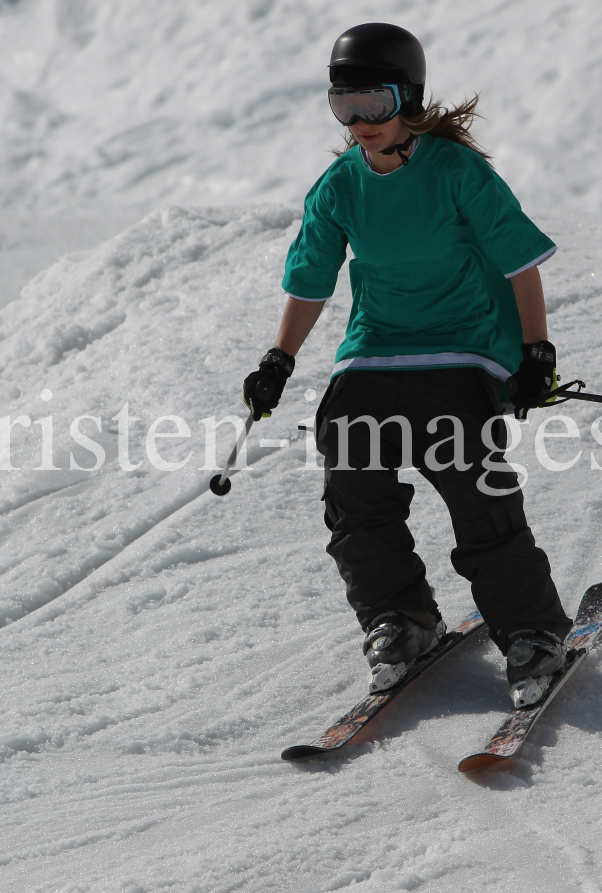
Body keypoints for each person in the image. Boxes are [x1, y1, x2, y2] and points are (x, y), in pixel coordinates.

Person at [242, 22, 573, 708]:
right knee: (351, 465)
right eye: (344, 106)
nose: (360, 122)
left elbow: (518, 260)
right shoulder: (338, 186)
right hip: (373, 348)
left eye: (375, 103)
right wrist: (279, 357)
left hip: (461, 346)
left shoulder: (457, 172)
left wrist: (535, 350)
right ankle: (400, 616)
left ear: (409, 98)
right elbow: (310, 276)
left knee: (470, 481)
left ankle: (533, 629)